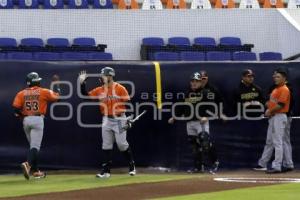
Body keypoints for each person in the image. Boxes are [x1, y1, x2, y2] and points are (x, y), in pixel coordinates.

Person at [79, 67, 136, 178]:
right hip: (106, 119)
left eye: (104, 75)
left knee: (121, 144)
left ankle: (132, 165)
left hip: (119, 119)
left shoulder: (120, 88)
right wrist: (82, 84)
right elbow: (85, 96)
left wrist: (129, 119)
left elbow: (129, 103)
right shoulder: (99, 89)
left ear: (110, 76)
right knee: (106, 145)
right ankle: (106, 171)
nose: (102, 77)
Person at [168, 71, 221, 173]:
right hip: (190, 122)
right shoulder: (187, 94)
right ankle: (198, 167)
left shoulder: (206, 93)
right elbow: (182, 107)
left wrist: (207, 116)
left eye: (196, 81)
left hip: (201, 122)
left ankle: (215, 162)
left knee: (205, 142)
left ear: (201, 82)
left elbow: (213, 107)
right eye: (192, 81)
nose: (194, 83)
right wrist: (174, 117)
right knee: (194, 146)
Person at [12, 72, 60, 180]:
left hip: (26, 120)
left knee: (33, 148)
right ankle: (28, 164)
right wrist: (57, 86)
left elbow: (15, 109)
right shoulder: (43, 91)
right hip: (37, 119)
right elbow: (58, 98)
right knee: (35, 147)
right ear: (37, 81)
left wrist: (22, 115)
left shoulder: (21, 93)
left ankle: (36, 171)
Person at [254, 69, 290, 173]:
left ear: (284, 78)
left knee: (277, 142)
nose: (275, 78)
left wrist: (269, 110)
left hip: (279, 116)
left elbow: (281, 105)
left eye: (278, 76)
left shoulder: (284, 89)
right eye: (274, 76)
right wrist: (267, 106)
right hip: (273, 116)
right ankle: (262, 164)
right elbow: (272, 102)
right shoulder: (276, 89)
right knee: (269, 141)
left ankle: (277, 166)